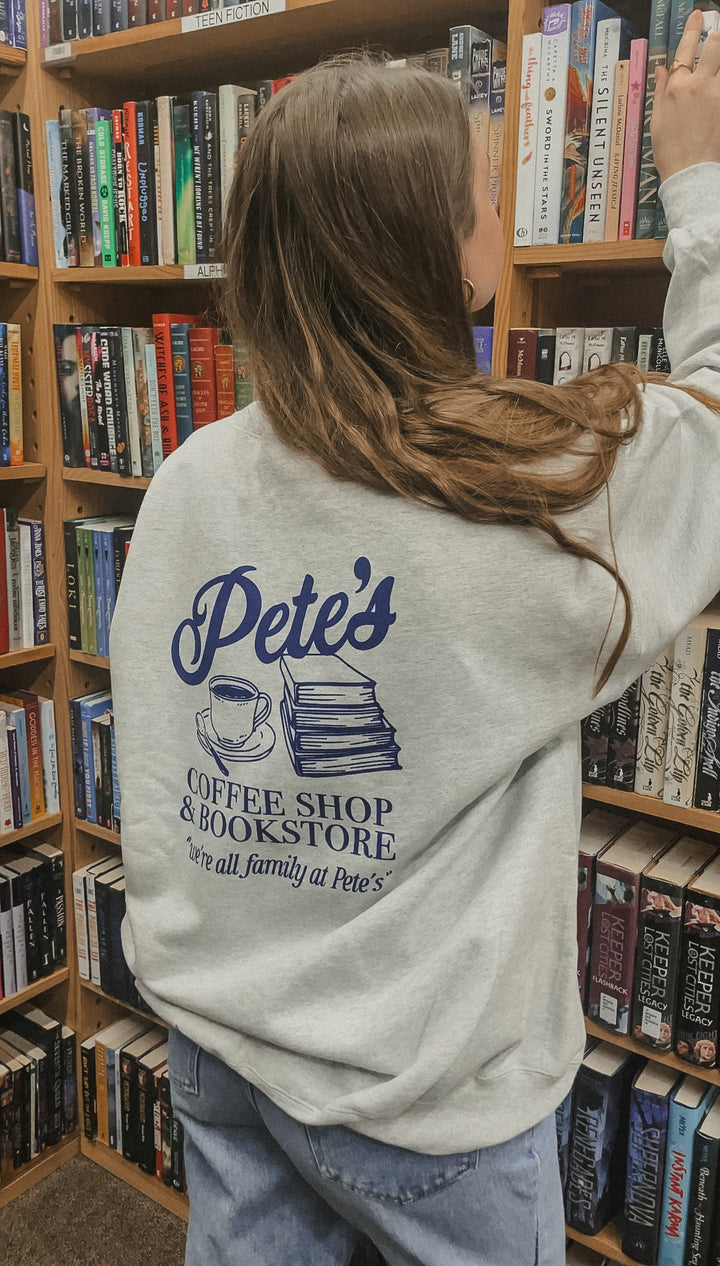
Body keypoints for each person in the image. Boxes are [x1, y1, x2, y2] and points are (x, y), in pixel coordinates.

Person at [110, 12, 720, 1264]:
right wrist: (698, 183)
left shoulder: (186, 479)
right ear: (443, 255)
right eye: (484, 195)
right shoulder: (531, 490)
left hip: (221, 1043)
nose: (499, 217)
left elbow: (163, 772)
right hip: (426, 1091)